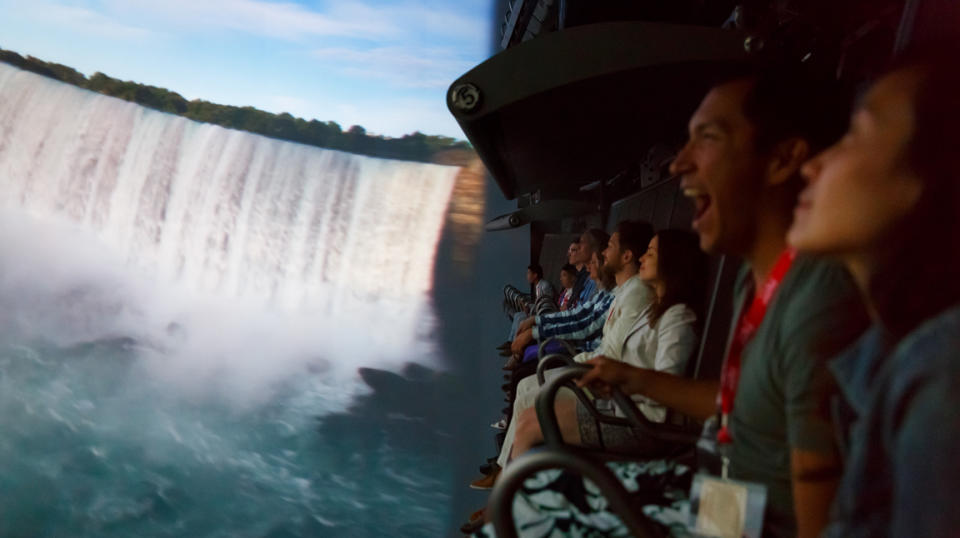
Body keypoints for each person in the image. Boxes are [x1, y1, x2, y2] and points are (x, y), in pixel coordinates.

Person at [477, 65, 869, 538]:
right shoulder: (756, 280)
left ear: (783, 159)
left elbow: (817, 503)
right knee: (519, 508)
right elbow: (733, 403)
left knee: (517, 521)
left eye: (707, 138)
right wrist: (632, 376)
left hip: (739, 515)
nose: (678, 163)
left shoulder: (817, 304)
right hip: (713, 482)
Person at [785, 47, 960, 537]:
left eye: (854, 136)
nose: (813, 166)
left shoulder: (944, 374)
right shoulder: (897, 355)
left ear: (933, 173)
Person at [509, 230, 708, 458]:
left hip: (639, 424)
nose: (642, 258)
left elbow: (668, 395)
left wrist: (619, 381)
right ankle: (510, 482)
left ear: (672, 262)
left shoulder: (678, 317)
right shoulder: (655, 310)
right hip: (621, 408)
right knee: (529, 416)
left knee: (530, 423)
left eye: (650, 253)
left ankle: (511, 486)